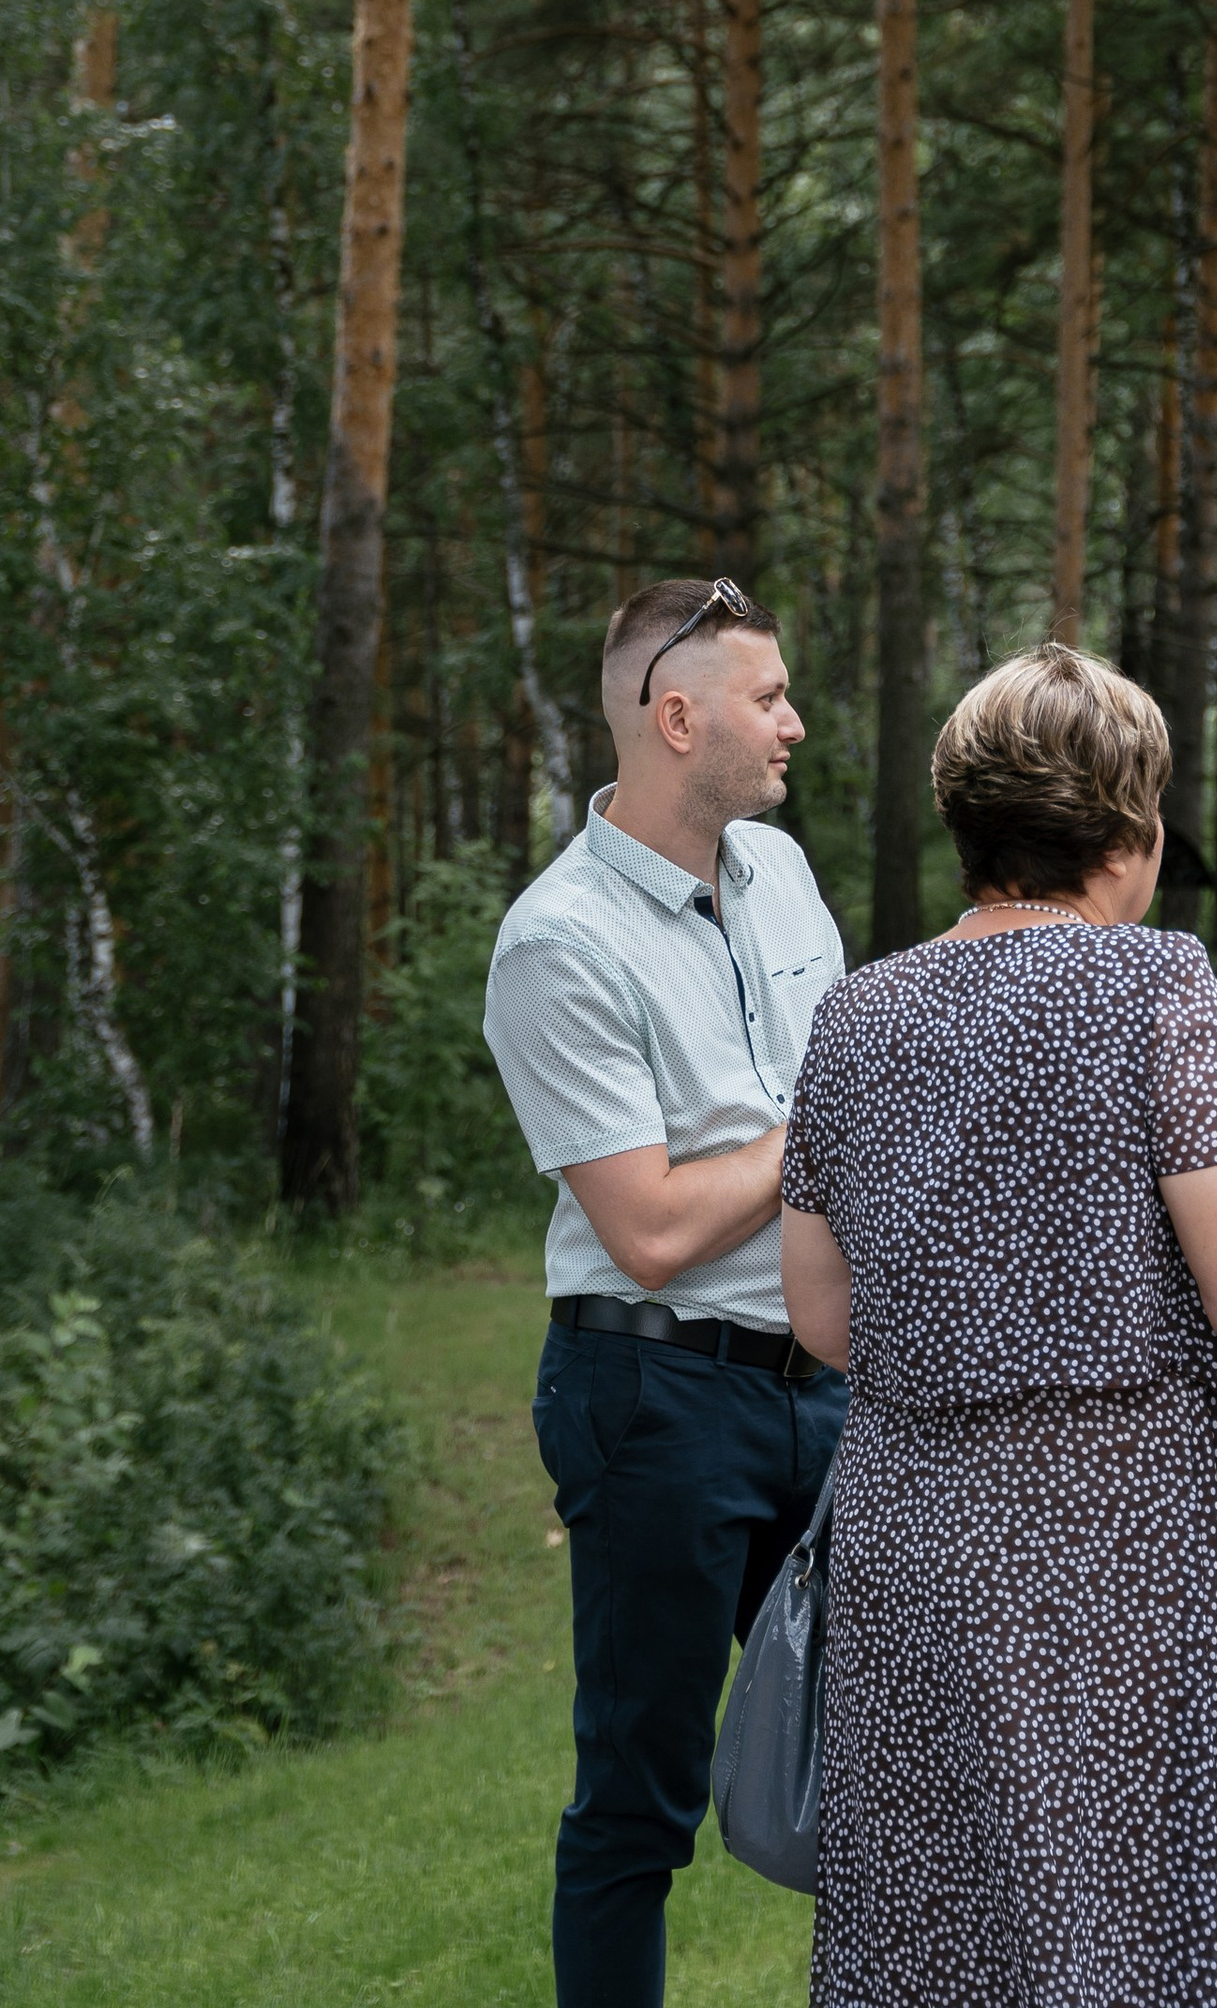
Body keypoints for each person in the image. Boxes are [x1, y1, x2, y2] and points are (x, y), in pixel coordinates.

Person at [778, 643, 1217, 2008]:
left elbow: (823, 1318)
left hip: (915, 1544)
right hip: (1117, 1542)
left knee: (938, 1914)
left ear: (970, 826)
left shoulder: (854, 1016)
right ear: (1131, 834)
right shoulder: (1152, 988)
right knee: (1131, 1922)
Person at [484, 577, 848, 2008]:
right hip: (652, 1398)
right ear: (676, 716)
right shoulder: (558, 941)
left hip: (818, 1383)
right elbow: (647, 1226)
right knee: (640, 1801)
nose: (794, 723)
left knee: (875, 1761)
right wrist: (824, 1120)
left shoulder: (787, 876)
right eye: (769, 698)